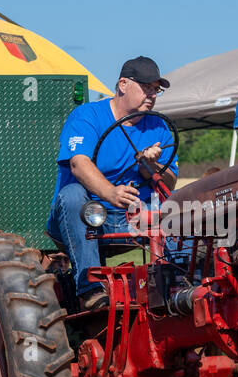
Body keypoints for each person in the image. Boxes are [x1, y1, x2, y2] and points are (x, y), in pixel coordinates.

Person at [47, 56, 178, 310]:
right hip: (87, 216)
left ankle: (175, 282)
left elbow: (169, 184)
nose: (152, 96)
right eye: (146, 88)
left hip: (132, 216)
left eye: (156, 90)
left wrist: (151, 165)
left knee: (178, 207)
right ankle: (90, 288)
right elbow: (78, 164)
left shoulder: (158, 126)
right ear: (123, 84)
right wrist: (110, 192)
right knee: (73, 194)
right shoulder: (88, 116)